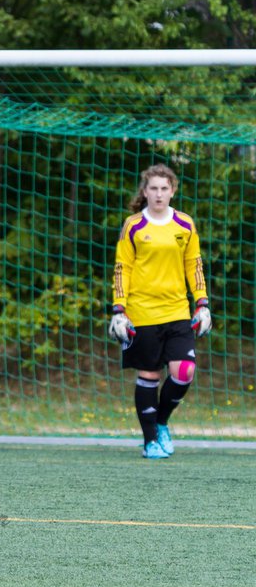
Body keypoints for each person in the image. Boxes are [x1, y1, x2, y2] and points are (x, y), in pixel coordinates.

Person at [108, 163, 210, 459]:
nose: (159, 194)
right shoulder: (133, 226)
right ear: (145, 191)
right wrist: (119, 309)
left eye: (164, 188)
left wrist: (202, 303)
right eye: (153, 188)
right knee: (149, 374)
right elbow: (122, 268)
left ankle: (162, 422)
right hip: (141, 312)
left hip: (178, 310)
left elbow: (194, 265)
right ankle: (150, 440)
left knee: (184, 371)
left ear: (173, 191)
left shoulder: (185, 224)